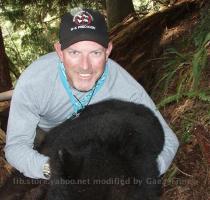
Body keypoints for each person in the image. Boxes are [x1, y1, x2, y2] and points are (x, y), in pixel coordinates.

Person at [5, 8, 179, 179]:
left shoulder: (121, 84)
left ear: (108, 51)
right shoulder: (34, 82)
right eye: (74, 53)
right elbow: (16, 146)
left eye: (95, 53)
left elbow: (168, 139)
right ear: (59, 51)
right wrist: (52, 168)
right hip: (43, 132)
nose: (85, 66)